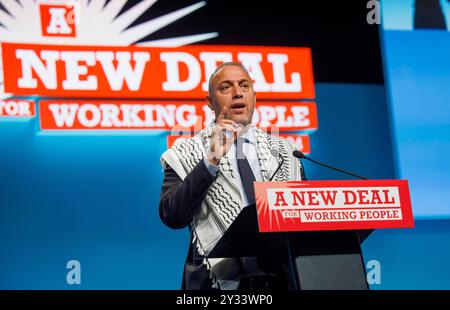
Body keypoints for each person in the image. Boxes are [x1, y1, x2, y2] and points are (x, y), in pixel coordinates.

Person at [159, 62, 306, 290]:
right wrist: (209, 163)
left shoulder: (286, 152)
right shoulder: (185, 153)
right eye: (226, 87)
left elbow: (305, 218)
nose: (238, 93)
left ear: (254, 97)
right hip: (216, 283)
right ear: (209, 102)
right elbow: (172, 215)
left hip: (282, 279)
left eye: (244, 86)